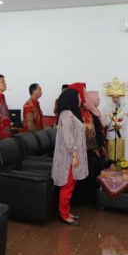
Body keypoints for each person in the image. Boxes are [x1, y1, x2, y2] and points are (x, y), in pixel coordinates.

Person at [52, 88, 88, 225]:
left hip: (73, 155)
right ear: (71, 98)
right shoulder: (66, 114)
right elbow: (67, 137)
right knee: (67, 186)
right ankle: (64, 215)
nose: (80, 99)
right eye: (78, 96)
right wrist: (74, 154)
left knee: (70, 185)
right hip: (69, 158)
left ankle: (66, 211)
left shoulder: (71, 113)